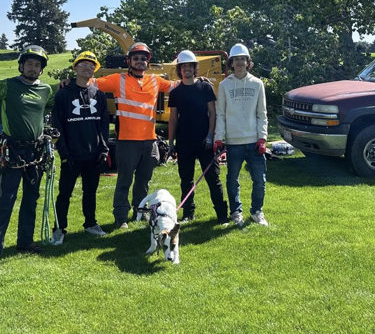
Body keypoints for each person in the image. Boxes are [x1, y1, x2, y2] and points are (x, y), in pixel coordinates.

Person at [0, 45, 56, 272]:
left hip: (36, 152)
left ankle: (25, 242)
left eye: (37, 65)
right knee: (6, 200)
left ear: (41, 69)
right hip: (12, 151)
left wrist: (44, 126)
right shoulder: (8, 86)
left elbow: (49, 106)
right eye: (29, 64)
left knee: (31, 198)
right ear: (21, 66)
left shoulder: (46, 90)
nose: (33, 68)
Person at [90, 42, 178, 229]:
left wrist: (200, 80)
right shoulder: (117, 79)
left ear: (148, 62)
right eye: (136, 59)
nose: (140, 62)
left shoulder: (155, 80)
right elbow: (90, 82)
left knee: (143, 181)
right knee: (124, 180)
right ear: (129, 61)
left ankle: (141, 211)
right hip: (127, 141)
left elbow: (178, 86)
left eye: (143, 59)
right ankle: (120, 217)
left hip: (149, 140)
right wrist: (69, 82)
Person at [49, 51, 110, 244]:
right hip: (71, 155)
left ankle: (91, 224)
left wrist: (104, 149)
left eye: (92, 65)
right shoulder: (63, 94)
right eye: (83, 64)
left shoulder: (98, 95)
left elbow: (103, 125)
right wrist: (64, 153)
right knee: (64, 194)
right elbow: (57, 125)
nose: (88, 67)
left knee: (90, 192)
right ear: (75, 67)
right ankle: (59, 229)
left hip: (93, 154)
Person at [167, 50, 228, 224]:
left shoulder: (205, 87)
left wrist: (210, 135)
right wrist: (171, 143)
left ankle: (222, 215)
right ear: (180, 69)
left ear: (195, 68)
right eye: (183, 66)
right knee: (186, 180)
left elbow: (212, 112)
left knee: (213, 179)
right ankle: (188, 213)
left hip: (205, 142)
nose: (186, 69)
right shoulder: (175, 93)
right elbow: (172, 119)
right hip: (184, 142)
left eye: (190, 66)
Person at [214, 43, 269, 227]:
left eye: (242, 59)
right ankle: (236, 212)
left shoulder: (257, 84)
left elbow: (262, 114)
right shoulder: (224, 85)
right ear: (231, 62)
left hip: (254, 142)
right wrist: (218, 138)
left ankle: (256, 211)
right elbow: (220, 114)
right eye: (236, 59)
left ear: (248, 62)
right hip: (234, 142)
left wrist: (262, 138)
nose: (239, 62)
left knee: (260, 181)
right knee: (232, 180)